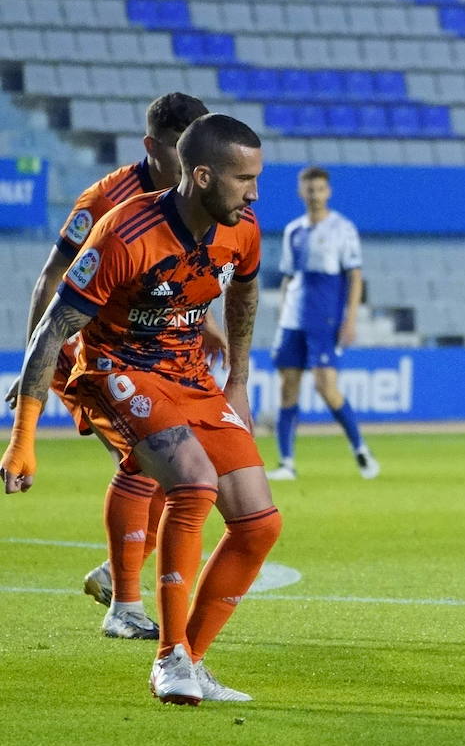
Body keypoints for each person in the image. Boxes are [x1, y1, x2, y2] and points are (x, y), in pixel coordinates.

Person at [2, 114, 282, 705]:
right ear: (201, 176)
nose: (254, 192)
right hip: (119, 369)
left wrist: (238, 383)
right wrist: (22, 435)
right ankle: (168, 658)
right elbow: (54, 329)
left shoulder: (244, 228)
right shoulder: (125, 233)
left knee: (260, 524)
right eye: (243, 179)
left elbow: (246, 290)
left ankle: (192, 660)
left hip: (190, 376)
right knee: (194, 481)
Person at [5, 92, 228, 639]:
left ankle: (117, 581)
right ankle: (122, 598)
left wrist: (203, 322)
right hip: (90, 352)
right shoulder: (107, 200)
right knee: (152, 460)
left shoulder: (193, 196)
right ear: (153, 147)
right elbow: (53, 277)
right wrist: (39, 352)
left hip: (148, 352)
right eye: (183, 153)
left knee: (157, 468)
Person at [265, 166, 379, 481]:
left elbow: (354, 276)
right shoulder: (293, 231)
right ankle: (286, 463)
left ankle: (360, 448)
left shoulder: (343, 229)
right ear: (301, 192)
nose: (314, 195)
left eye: (319, 189)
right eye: (309, 189)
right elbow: (289, 276)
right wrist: (283, 312)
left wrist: (350, 319)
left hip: (324, 317)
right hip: (293, 319)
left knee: (325, 387)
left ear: (328, 192)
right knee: (288, 387)